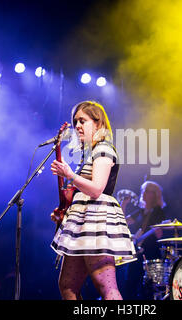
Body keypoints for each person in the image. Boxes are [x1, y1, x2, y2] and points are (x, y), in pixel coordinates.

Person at [50, 100, 136, 300]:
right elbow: (81, 192)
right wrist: (64, 210)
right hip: (83, 223)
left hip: (96, 221)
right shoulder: (89, 153)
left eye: (83, 120)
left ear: (98, 124)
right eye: (75, 122)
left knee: (106, 287)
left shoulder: (103, 149)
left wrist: (70, 175)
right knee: (67, 286)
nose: (77, 126)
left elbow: (97, 189)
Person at [120, 180, 167, 299]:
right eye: (143, 191)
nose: (143, 193)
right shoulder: (140, 211)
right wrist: (124, 204)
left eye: (147, 191)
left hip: (151, 253)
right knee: (129, 284)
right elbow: (122, 221)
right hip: (137, 253)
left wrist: (158, 232)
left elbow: (160, 235)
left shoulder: (158, 212)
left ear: (154, 195)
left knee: (148, 288)